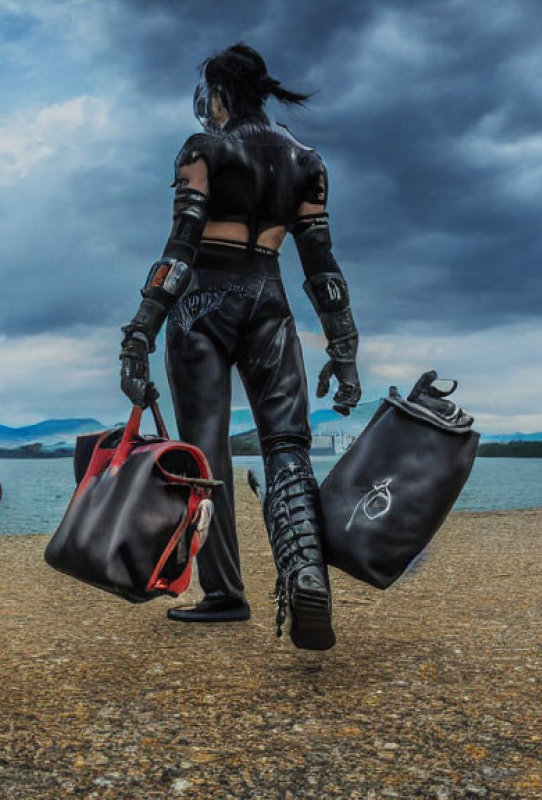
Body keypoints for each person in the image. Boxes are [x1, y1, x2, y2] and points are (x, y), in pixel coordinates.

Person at [118, 43, 360, 650]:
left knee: (205, 452)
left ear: (219, 92)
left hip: (204, 305)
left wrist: (140, 329)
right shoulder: (307, 162)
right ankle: (304, 572)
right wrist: (343, 347)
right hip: (269, 300)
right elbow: (322, 264)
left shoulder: (203, 151)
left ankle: (224, 592)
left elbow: (180, 248)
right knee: (288, 444)